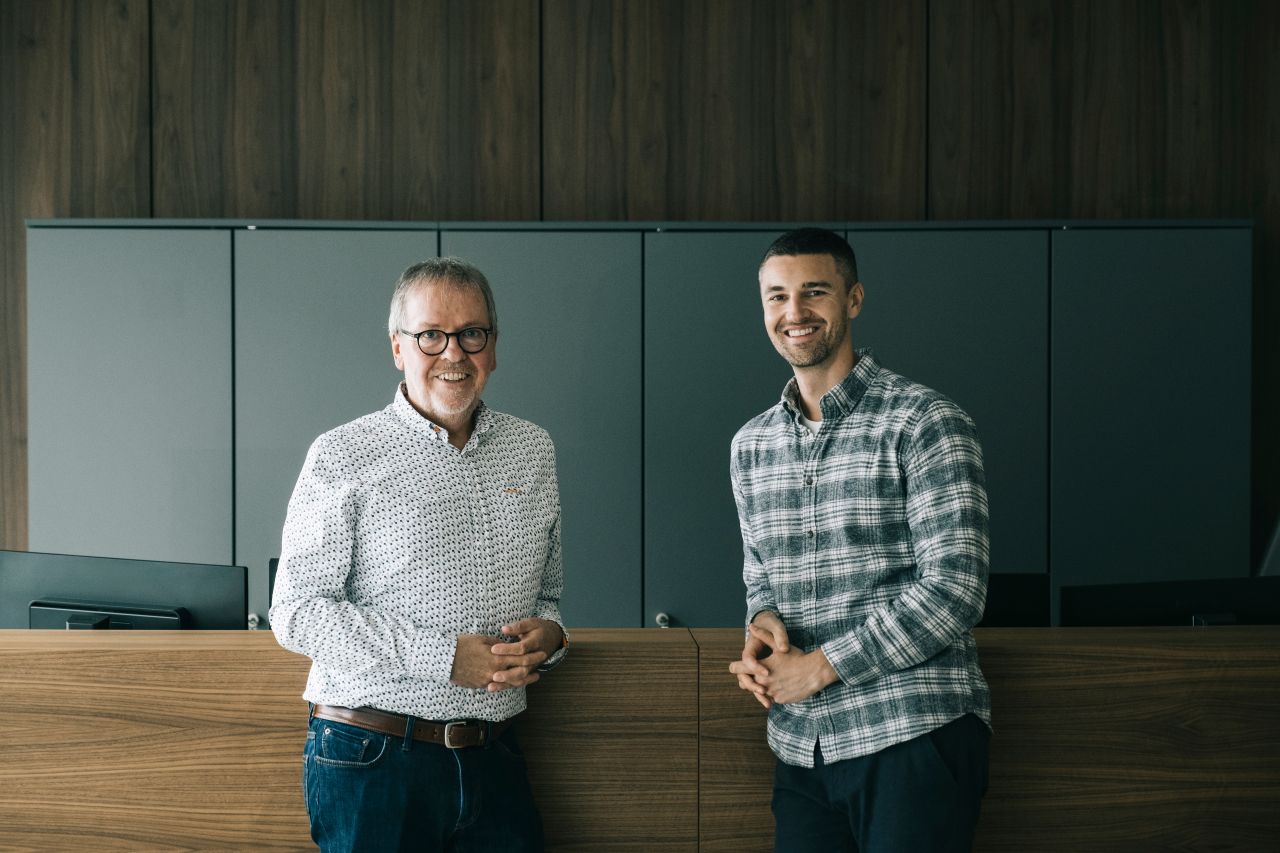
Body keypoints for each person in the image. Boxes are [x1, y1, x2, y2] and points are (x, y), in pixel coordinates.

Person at [270, 257, 568, 853]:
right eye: (430, 335)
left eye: (471, 334)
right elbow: (297, 612)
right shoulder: (343, 454)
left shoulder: (533, 451)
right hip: (372, 759)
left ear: (493, 345)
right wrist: (444, 657)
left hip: (496, 755)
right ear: (398, 348)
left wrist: (553, 638)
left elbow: (548, 597)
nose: (453, 353)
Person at [728, 228, 991, 852]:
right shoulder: (750, 445)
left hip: (912, 733)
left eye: (814, 292)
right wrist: (762, 624)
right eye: (777, 297)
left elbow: (956, 590)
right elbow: (759, 573)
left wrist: (819, 668)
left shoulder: (926, 421)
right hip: (802, 746)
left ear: (853, 299)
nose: (794, 313)